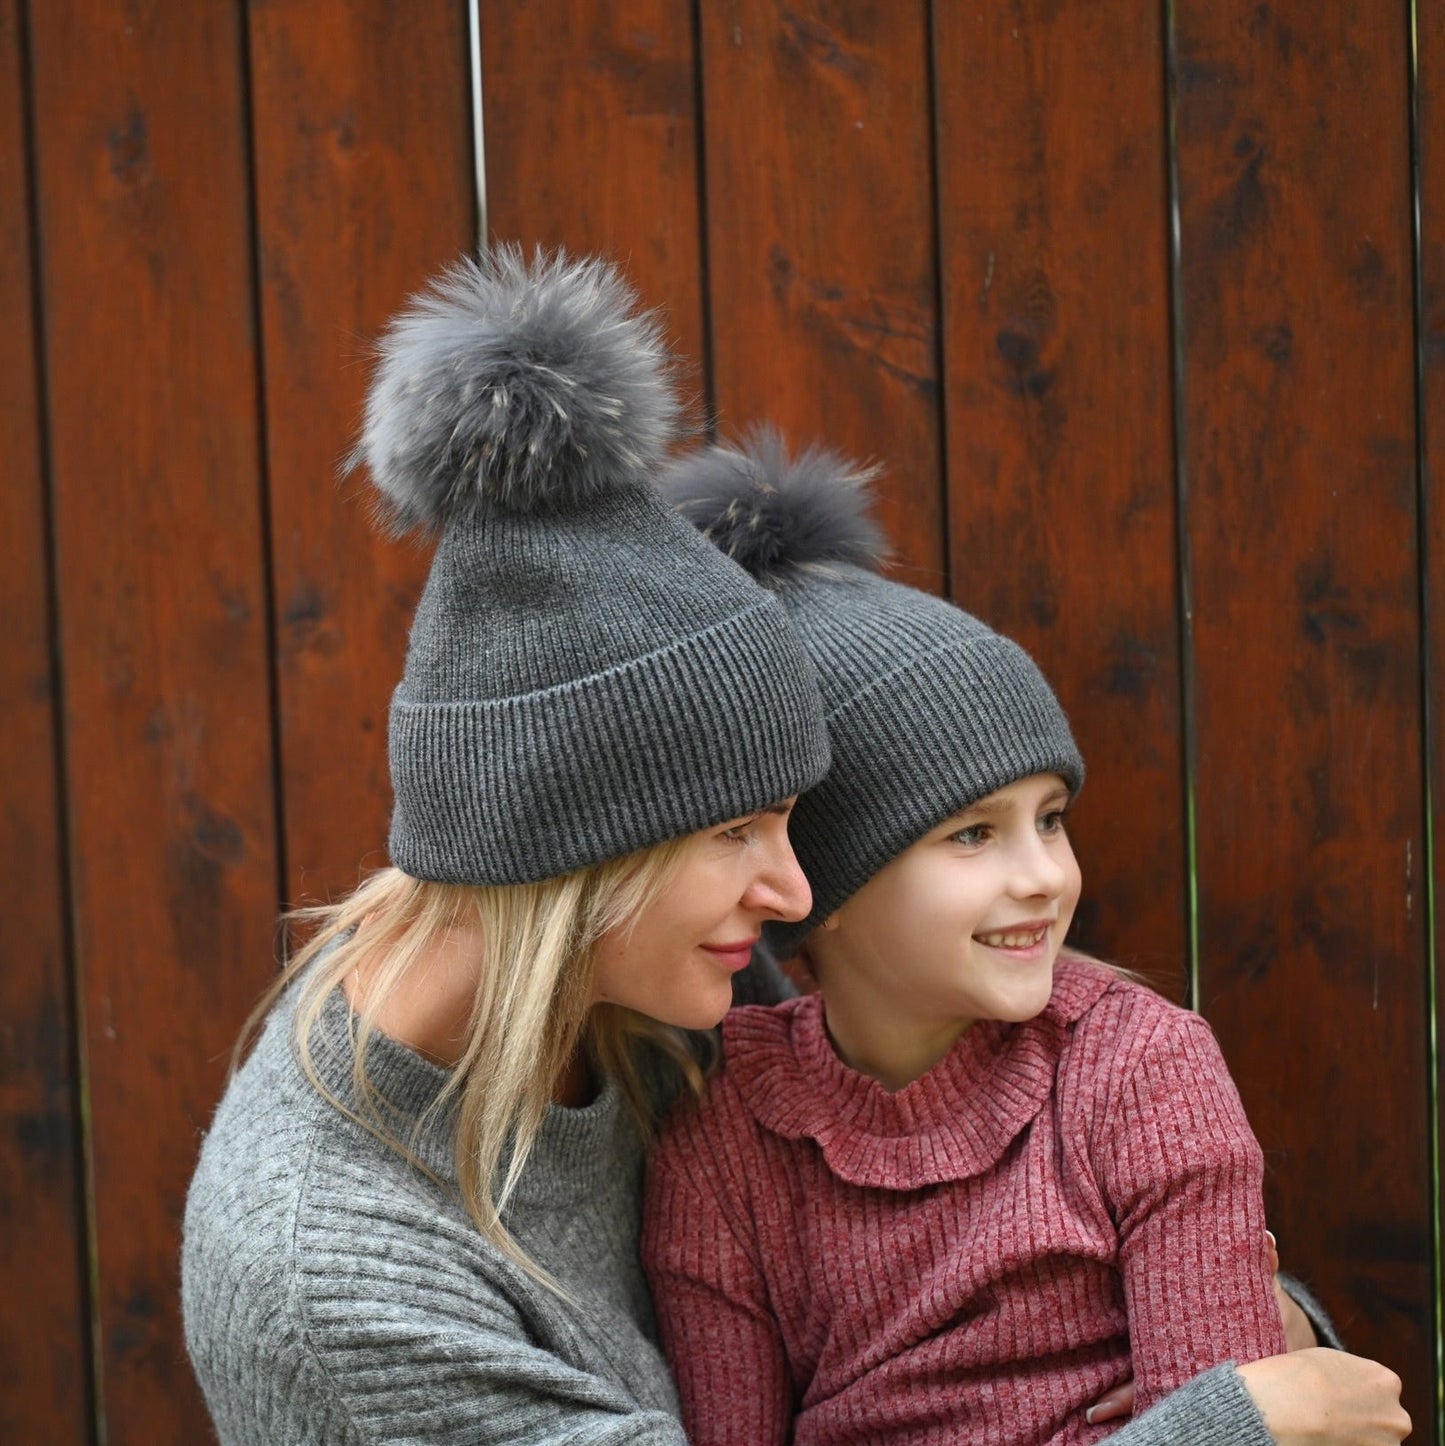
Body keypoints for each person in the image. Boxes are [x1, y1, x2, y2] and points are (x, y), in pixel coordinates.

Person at [181, 249, 1408, 1446]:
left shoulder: (662, 996)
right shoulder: (335, 1290)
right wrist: (1223, 1427)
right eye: (735, 832)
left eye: (787, 819)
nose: (792, 890)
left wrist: (1229, 1322)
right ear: (574, 850)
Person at [646, 429, 1412, 1446]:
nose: (1042, 875)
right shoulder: (721, 1138)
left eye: (1049, 817)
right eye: (971, 833)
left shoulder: (1137, 1071)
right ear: (815, 885)